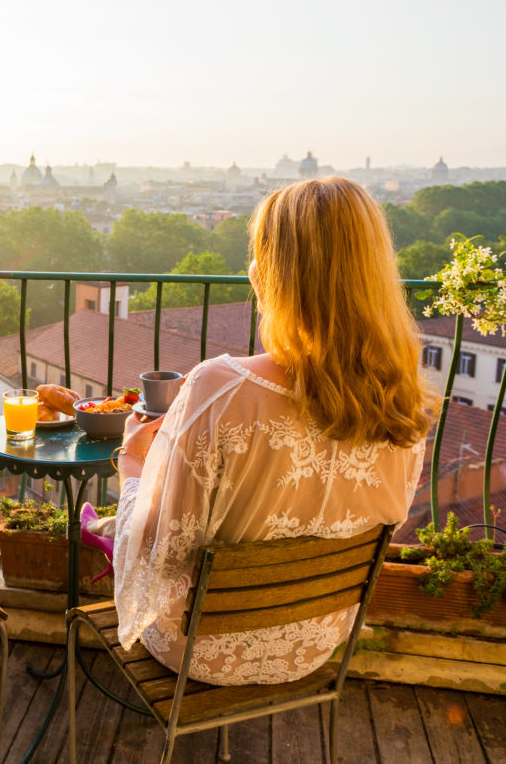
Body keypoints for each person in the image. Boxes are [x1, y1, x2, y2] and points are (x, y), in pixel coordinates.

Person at [87, 176, 435, 686]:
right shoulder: (403, 396)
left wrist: (135, 462)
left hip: (200, 650)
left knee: (124, 520)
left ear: (272, 274)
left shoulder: (221, 387)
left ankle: (96, 528)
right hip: (316, 643)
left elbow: (165, 555)